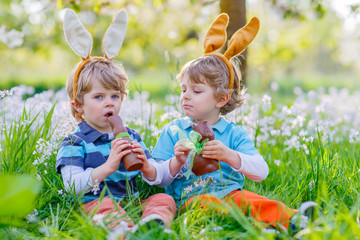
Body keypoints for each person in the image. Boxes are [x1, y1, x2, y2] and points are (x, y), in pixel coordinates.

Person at [150, 13, 317, 232]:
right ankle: (262, 229)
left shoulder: (233, 134)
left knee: (252, 201)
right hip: (190, 202)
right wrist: (175, 161)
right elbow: (155, 178)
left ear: (222, 99)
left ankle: (296, 221)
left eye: (196, 91)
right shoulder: (174, 131)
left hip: (231, 195)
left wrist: (229, 155)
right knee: (212, 206)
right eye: (183, 89)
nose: (186, 96)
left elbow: (261, 171)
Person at [56, 9, 176, 232]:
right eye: (99, 97)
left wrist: (148, 167)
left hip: (131, 205)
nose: (109, 103)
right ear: (78, 106)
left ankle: (152, 226)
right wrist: (109, 165)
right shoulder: (74, 142)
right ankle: (121, 230)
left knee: (162, 199)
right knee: (107, 204)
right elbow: (72, 186)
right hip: (95, 204)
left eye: (115, 96)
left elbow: (158, 178)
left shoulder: (131, 136)